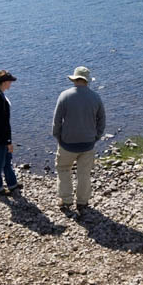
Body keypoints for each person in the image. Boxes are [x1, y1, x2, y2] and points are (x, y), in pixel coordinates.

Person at [51, 65, 105, 212]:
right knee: (84, 174)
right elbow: (102, 121)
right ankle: (82, 202)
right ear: (87, 81)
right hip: (88, 143)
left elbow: (57, 121)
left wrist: (58, 137)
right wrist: (96, 137)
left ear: (75, 79)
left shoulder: (64, 96)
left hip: (67, 143)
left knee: (63, 169)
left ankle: (66, 200)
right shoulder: (96, 97)